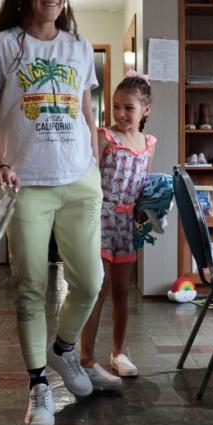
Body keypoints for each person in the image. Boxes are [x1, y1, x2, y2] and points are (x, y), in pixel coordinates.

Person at [0, 0, 103, 425]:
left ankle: (66, 349)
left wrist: (96, 162)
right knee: (31, 287)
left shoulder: (79, 48)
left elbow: (86, 111)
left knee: (90, 281)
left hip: (80, 179)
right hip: (27, 185)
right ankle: (39, 386)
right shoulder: (2, 47)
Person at [79, 72, 156, 388]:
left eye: (129, 108)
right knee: (99, 288)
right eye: (116, 107)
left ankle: (119, 353)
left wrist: (150, 214)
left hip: (128, 225)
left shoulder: (148, 144)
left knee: (123, 292)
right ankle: (85, 357)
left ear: (145, 110)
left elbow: (144, 188)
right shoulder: (103, 137)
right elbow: (88, 178)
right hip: (100, 220)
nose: (121, 114)